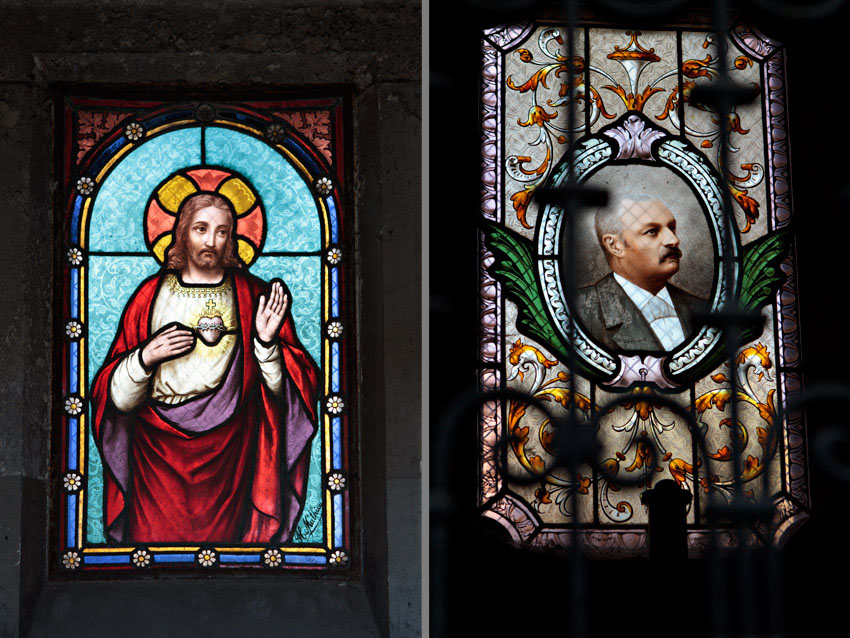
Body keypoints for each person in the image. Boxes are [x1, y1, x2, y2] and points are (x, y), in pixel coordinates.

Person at [91, 192, 319, 543]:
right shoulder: (148, 296)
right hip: (156, 455)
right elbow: (113, 399)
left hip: (232, 454)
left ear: (233, 238)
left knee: (231, 553)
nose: (211, 241)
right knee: (150, 548)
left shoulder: (253, 297)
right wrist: (145, 357)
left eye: (222, 231)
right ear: (182, 233)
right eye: (201, 229)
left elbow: (289, 393)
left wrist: (266, 344)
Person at [575, 194, 705, 352]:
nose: (673, 240)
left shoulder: (705, 310)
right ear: (615, 245)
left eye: (671, 228)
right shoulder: (577, 311)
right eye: (652, 231)